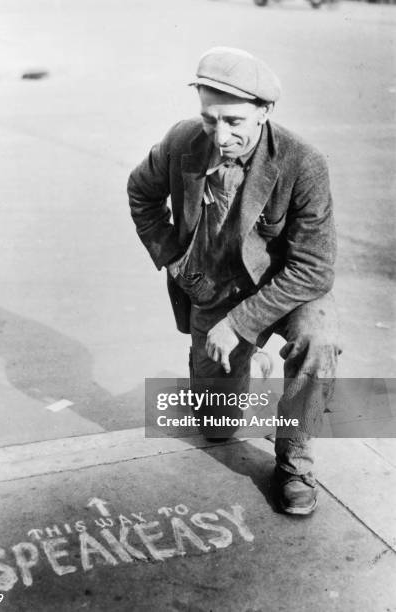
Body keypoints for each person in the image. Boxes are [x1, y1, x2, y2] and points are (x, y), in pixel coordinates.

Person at [127, 47, 341, 516]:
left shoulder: (303, 163)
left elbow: (314, 268)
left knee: (318, 339)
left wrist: (240, 324)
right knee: (217, 426)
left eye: (234, 122)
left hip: (285, 290)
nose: (220, 136)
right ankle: (234, 364)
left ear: (264, 113)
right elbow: (141, 194)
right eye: (209, 119)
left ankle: (295, 462)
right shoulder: (181, 142)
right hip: (213, 287)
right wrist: (180, 266)